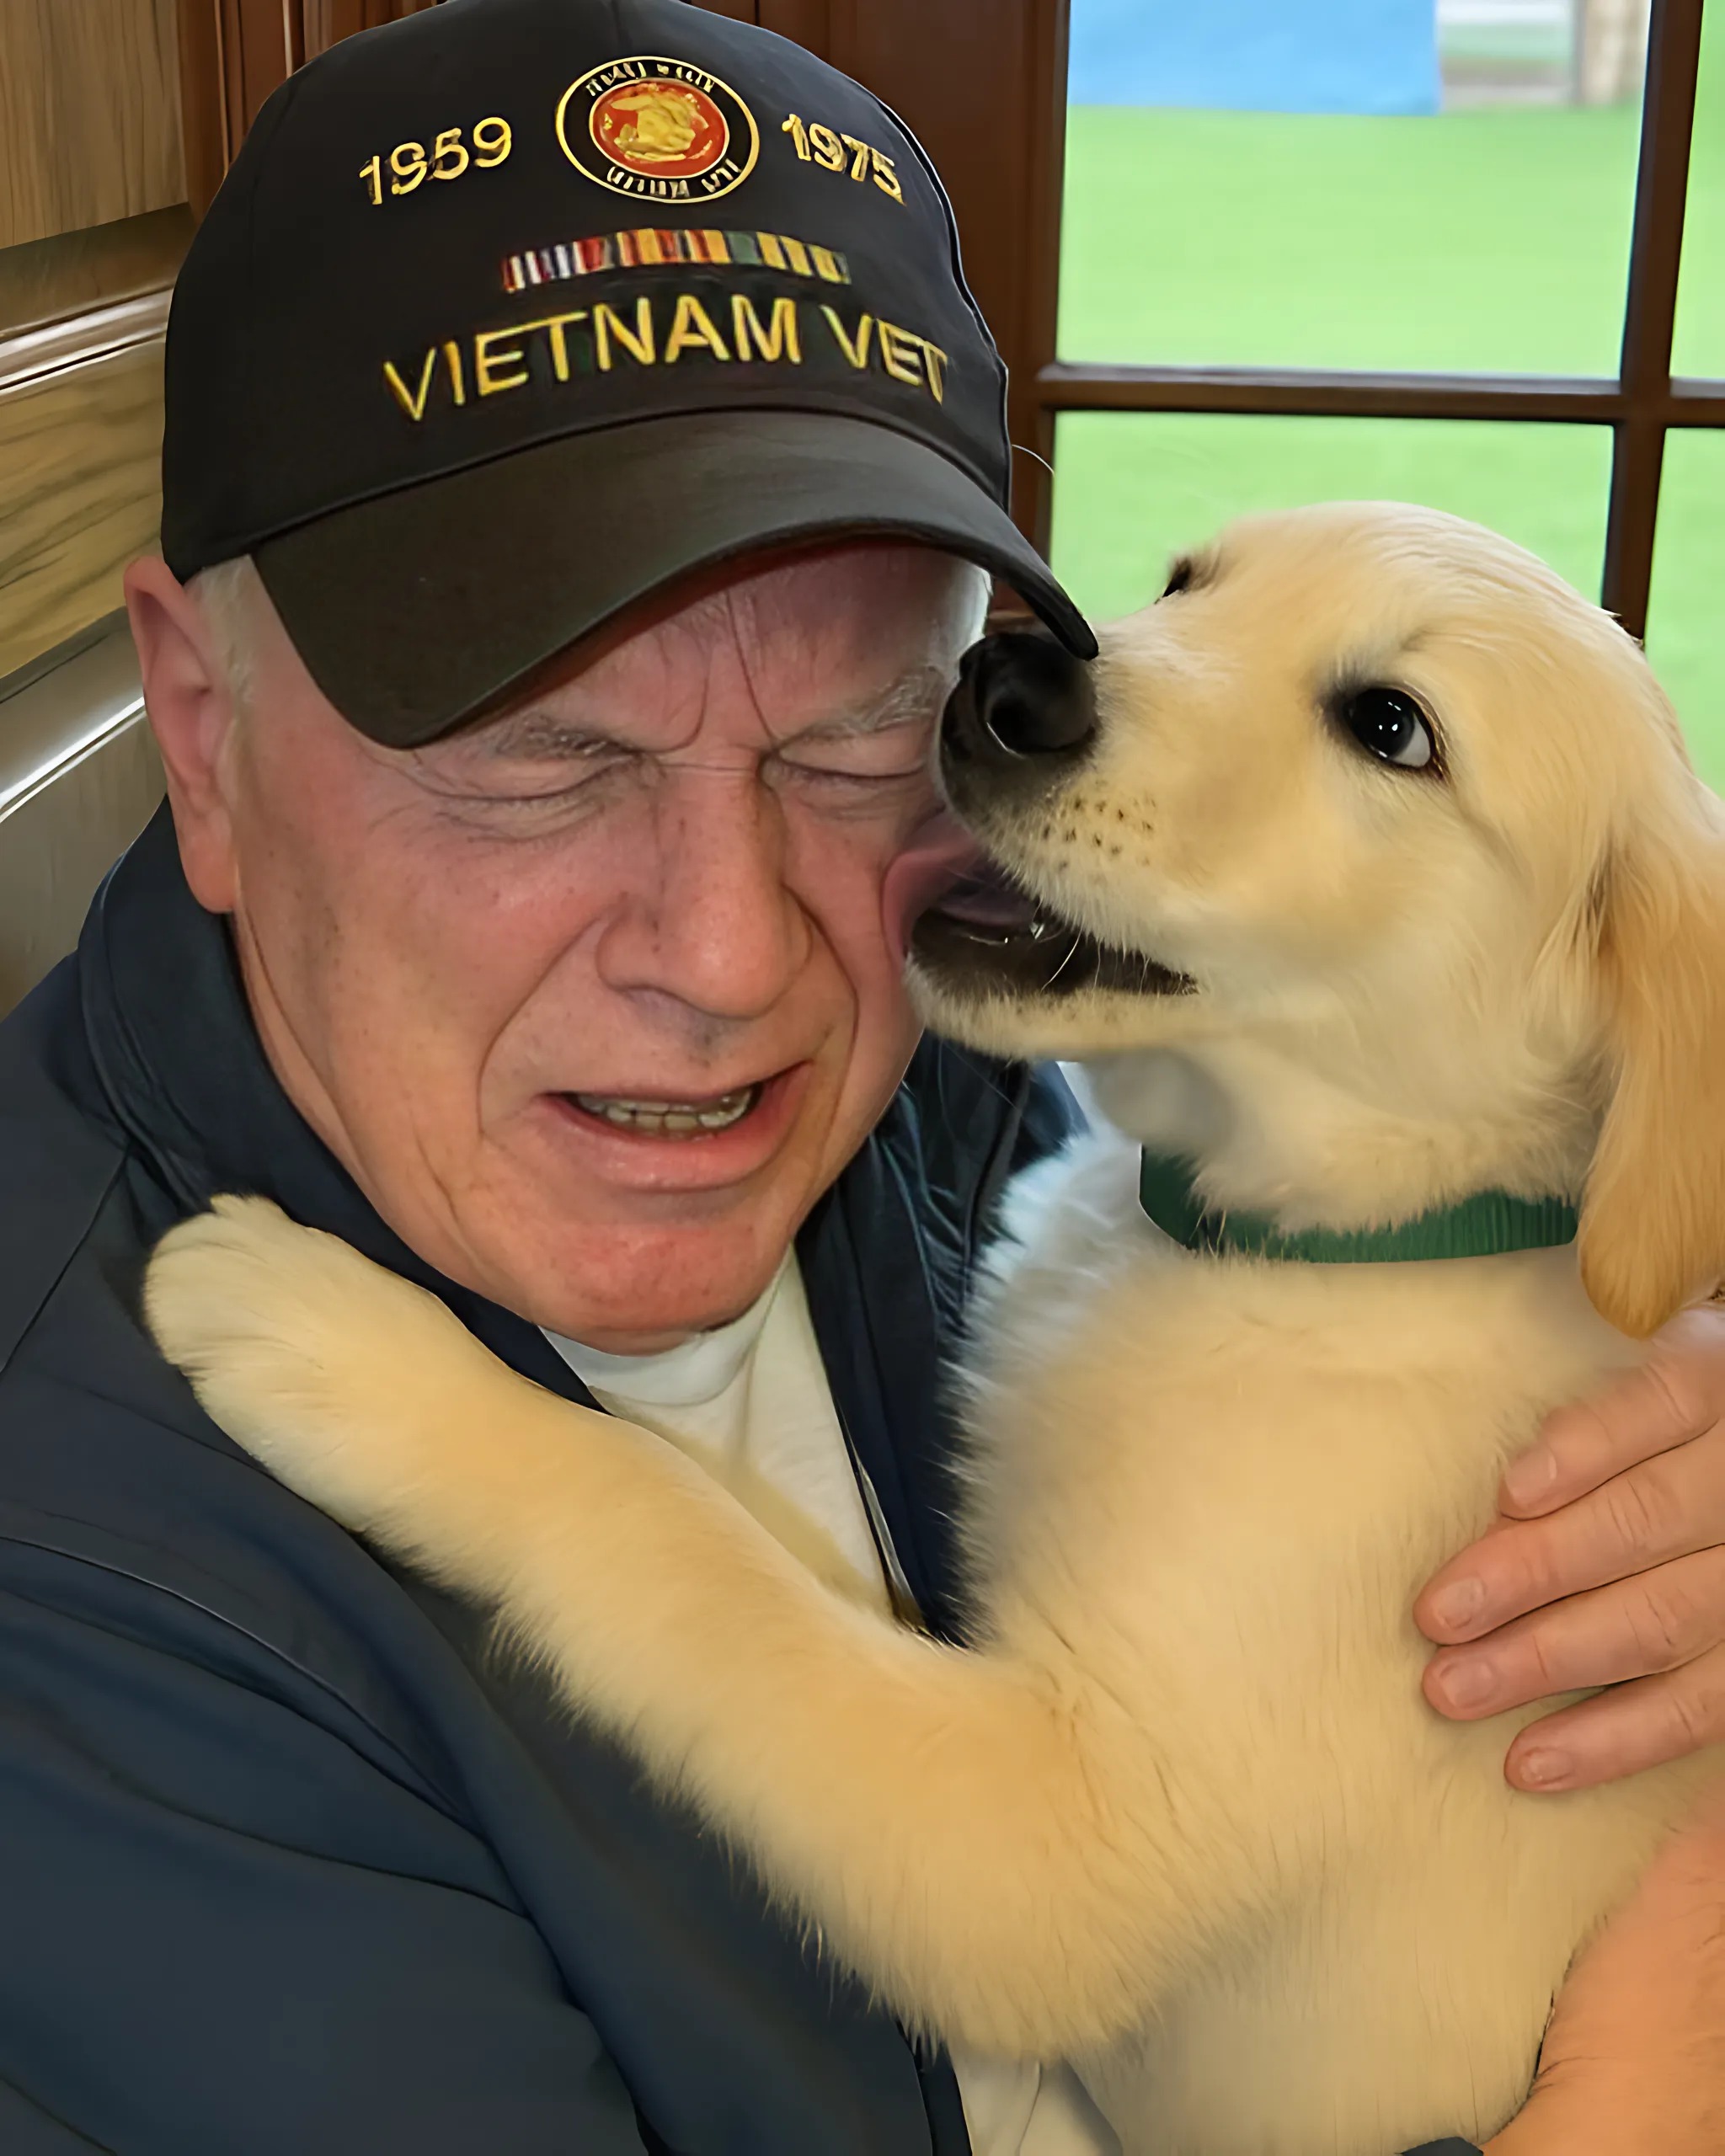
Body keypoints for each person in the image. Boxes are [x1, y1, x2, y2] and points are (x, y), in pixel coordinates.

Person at [0, 2, 1721, 2150]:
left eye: (856, 736)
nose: (737, 963)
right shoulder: (87, 1621)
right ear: (200, 733)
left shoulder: (995, 1059)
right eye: (546, 759)